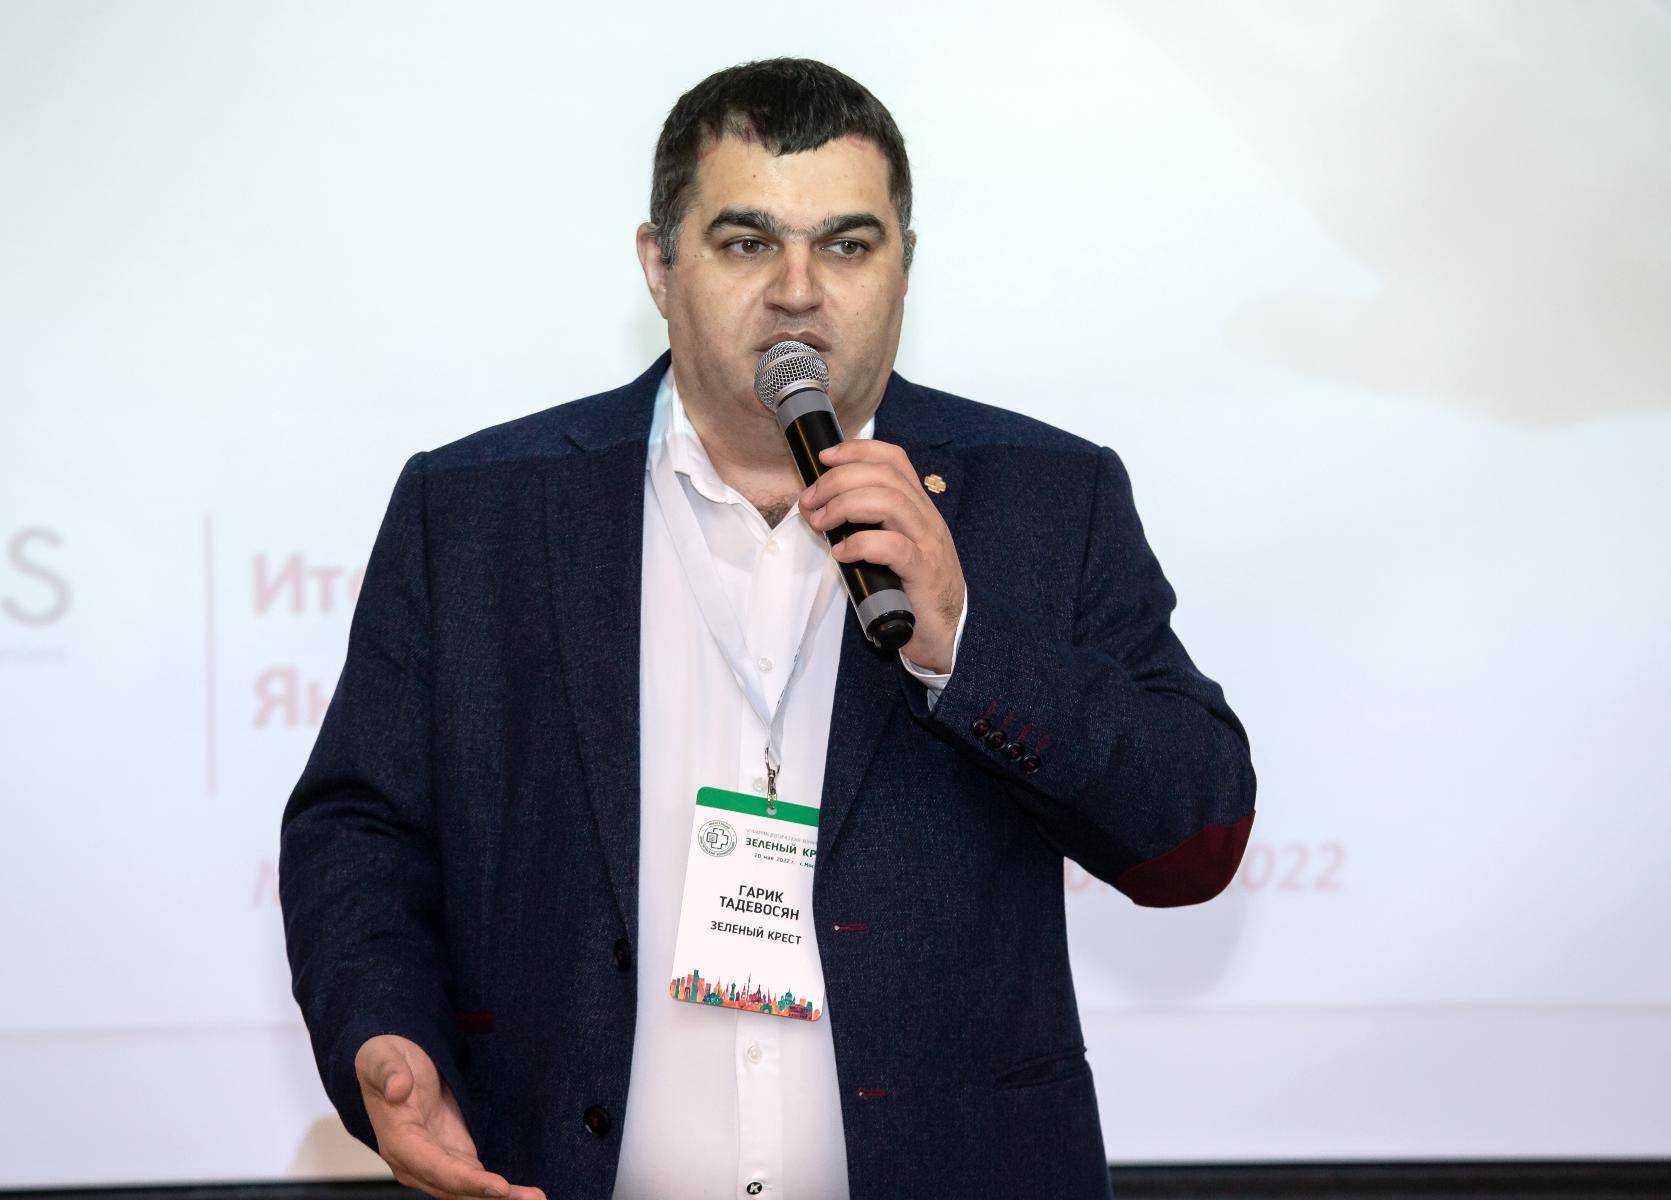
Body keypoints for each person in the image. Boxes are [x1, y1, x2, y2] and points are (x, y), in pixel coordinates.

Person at [280, 57, 1255, 1200]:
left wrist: (964, 640)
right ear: (659, 265)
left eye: (847, 245)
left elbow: (1196, 835)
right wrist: (384, 1028)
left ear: (905, 266)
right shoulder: (474, 511)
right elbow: (358, 829)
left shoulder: (1048, 498)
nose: (799, 291)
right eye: (748, 242)